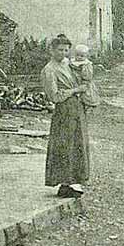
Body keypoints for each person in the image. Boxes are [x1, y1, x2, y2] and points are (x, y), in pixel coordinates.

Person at [42, 34, 90, 198]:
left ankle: (72, 181)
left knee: (77, 144)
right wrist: (76, 90)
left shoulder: (67, 64)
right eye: (60, 50)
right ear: (51, 50)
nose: (63, 53)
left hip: (76, 108)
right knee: (64, 145)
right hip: (63, 111)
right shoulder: (49, 70)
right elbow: (54, 96)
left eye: (66, 50)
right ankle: (63, 183)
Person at [69, 44, 100, 110]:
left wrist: (83, 74)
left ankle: (87, 106)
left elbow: (88, 76)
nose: (79, 57)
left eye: (82, 56)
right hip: (75, 81)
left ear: (86, 56)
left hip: (83, 81)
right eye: (77, 55)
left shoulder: (86, 64)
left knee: (86, 94)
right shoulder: (72, 62)